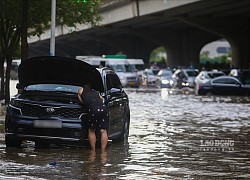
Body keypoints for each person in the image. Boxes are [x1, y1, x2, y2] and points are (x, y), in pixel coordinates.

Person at [78, 83, 108, 152]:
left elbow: (81, 101)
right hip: (103, 108)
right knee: (103, 130)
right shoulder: (96, 92)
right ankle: (103, 152)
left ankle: (93, 151)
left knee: (91, 130)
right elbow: (102, 99)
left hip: (93, 109)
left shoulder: (81, 90)